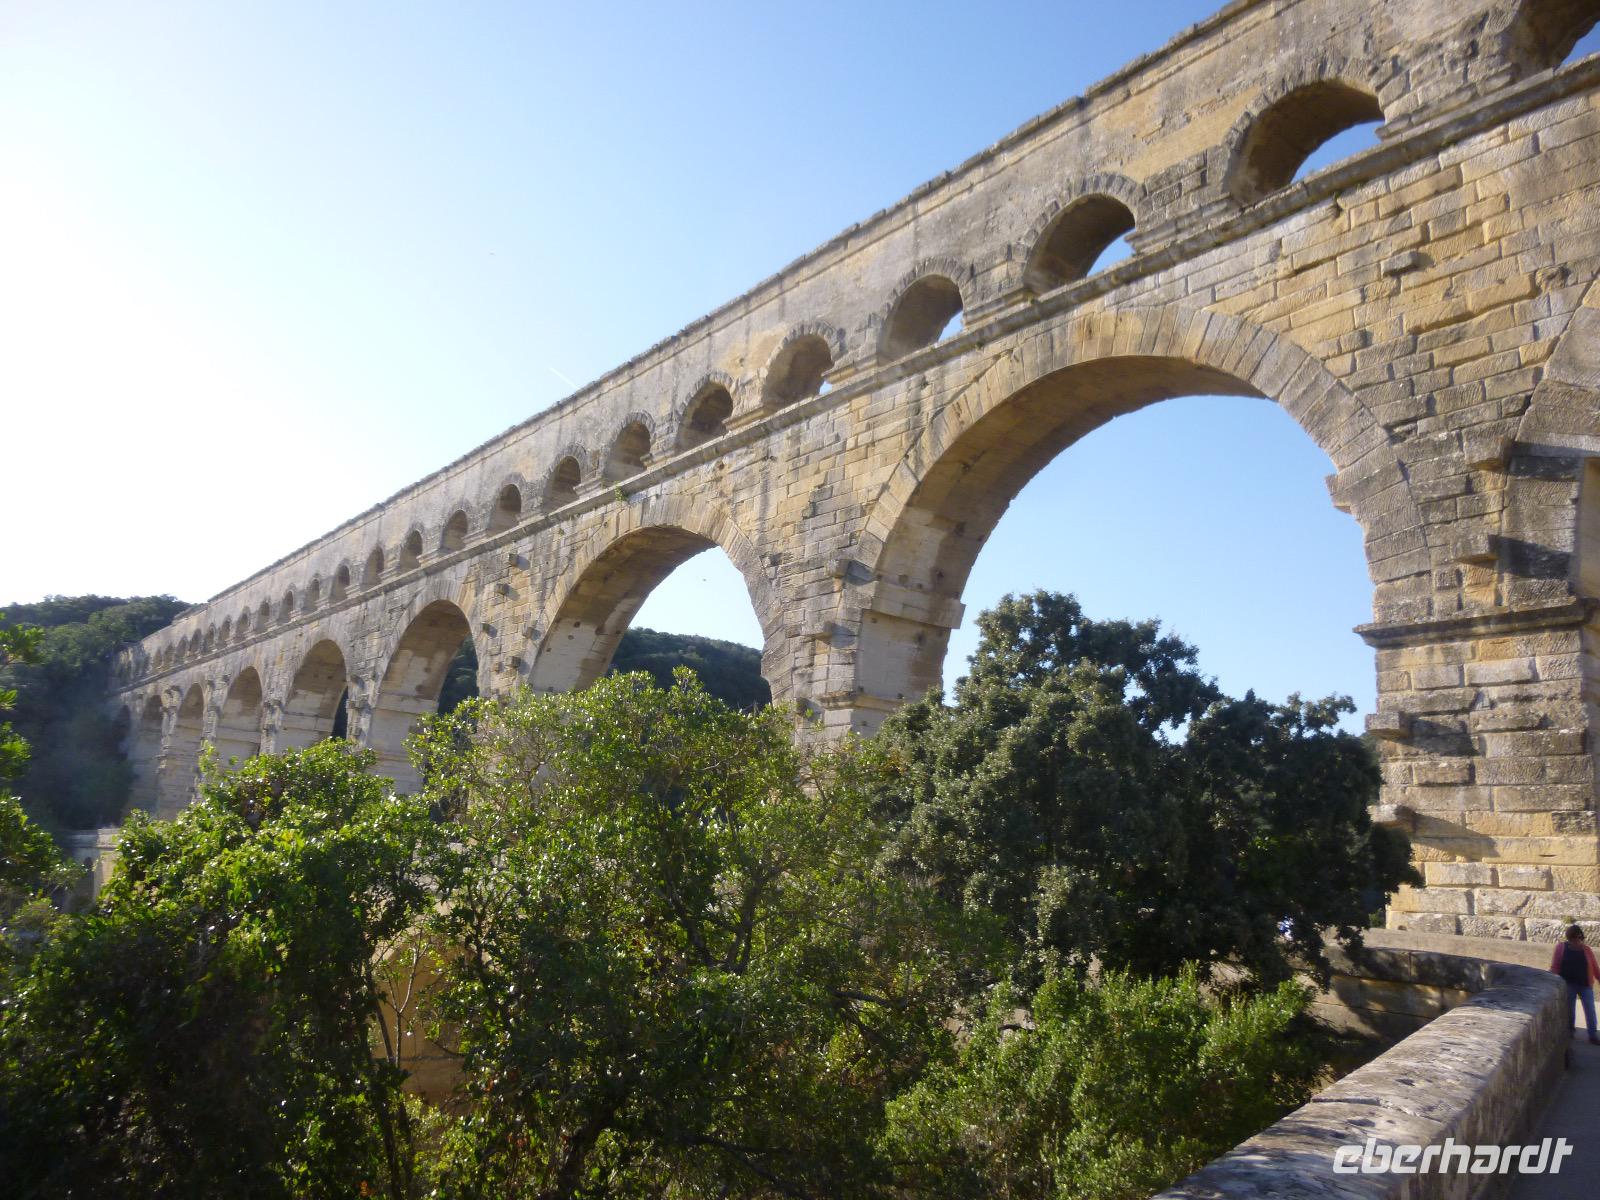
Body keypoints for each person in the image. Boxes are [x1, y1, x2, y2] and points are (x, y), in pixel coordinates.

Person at [1550, 924, 1600, 1044]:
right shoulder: (1561, 948)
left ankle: (1593, 1036)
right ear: (1569, 938)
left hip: (1585, 985)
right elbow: (1555, 965)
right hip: (1568, 984)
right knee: (1570, 1010)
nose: (1577, 940)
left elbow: (1594, 966)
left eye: (1579, 937)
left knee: (1590, 1010)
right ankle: (1570, 1033)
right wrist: (1551, 979)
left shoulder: (1587, 950)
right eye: (1574, 938)